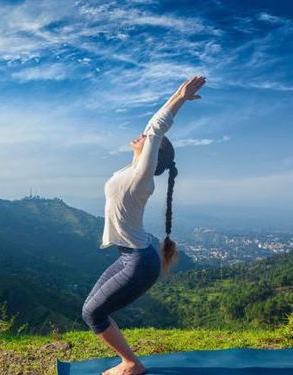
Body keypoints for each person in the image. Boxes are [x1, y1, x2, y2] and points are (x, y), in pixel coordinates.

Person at [82, 76, 207, 375]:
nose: (142, 135)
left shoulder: (142, 179)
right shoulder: (131, 170)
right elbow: (151, 131)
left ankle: (131, 364)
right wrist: (176, 98)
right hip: (131, 255)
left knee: (92, 313)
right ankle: (130, 362)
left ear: (154, 155)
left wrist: (179, 97)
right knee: (92, 308)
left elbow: (155, 127)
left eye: (151, 142)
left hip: (139, 262)